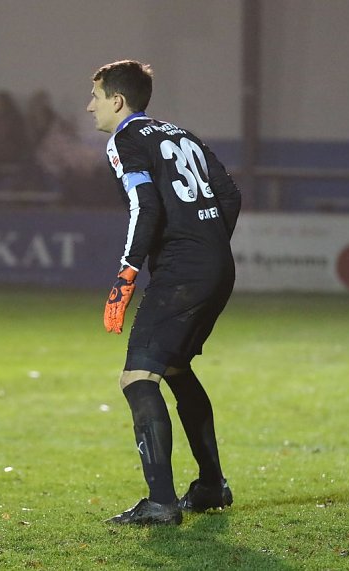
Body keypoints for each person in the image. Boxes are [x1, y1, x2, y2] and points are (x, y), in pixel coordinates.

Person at [86, 60, 242, 525]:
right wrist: (207, 243)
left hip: (183, 271)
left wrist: (126, 274)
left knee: (138, 377)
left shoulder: (125, 139)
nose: (89, 105)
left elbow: (144, 205)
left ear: (117, 100)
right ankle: (211, 485)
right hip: (216, 265)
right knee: (174, 367)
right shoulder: (180, 133)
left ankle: (161, 503)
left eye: (95, 96)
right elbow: (229, 195)